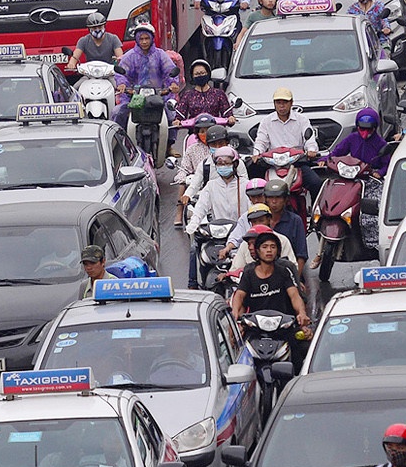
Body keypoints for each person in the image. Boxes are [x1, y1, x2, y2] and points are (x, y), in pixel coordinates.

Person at [185, 147, 250, 283]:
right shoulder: (211, 186)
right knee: (195, 248)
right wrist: (193, 224)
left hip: (241, 233)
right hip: (217, 233)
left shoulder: (244, 185)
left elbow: (252, 210)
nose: (223, 167)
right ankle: (193, 282)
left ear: (235, 165)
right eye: (219, 164)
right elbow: (201, 207)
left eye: (226, 163)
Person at [228, 231, 309, 328]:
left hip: (282, 326)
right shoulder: (249, 273)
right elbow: (239, 295)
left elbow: (294, 296)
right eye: (265, 247)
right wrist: (235, 314)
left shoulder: (284, 271)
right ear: (257, 250)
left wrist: (302, 313)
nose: (269, 250)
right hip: (255, 327)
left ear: (278, 251)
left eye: (273, 247)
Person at [112, 24, 181, 132]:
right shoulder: (129, 56)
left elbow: (170, 70)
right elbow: (121, 73)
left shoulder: (160, 55)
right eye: (141, 39)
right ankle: (120, 141)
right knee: (117, 112)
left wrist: (173, 83)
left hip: (159, 96)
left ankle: (169, 145)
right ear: (137, 40)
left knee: (171, 114)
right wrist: (122, 84)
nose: (144, 42)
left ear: (152, 38)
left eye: (147, 38)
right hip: (133, 97)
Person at [326, 107, 389, 172]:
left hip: (372, 174)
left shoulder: (381, 143)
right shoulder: (352, 138)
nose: (365, 133)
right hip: (354, 172)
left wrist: (380, 172)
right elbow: (337, 152)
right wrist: (325, 159)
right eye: (362, 129)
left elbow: (387, 164)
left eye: (369, 129)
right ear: (357, 126)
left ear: (374, 128)